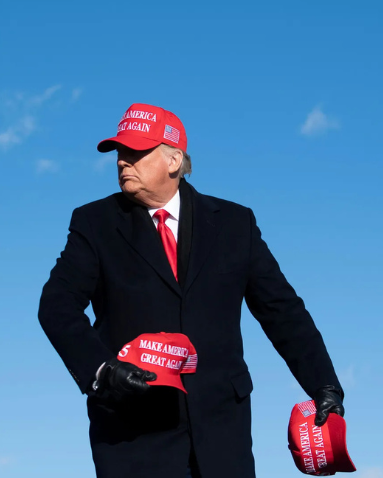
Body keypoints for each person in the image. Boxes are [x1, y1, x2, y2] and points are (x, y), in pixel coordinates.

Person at [38, 103, 345, 478]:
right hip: (132, 435)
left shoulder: (236, 224)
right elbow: (56, 307)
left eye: (135, 151)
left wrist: (324, 385)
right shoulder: (93, 223)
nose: (122, 161)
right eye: (119, 152)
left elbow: (282, 311)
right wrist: (103, 371)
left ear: (173, 160)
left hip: (222, 435)